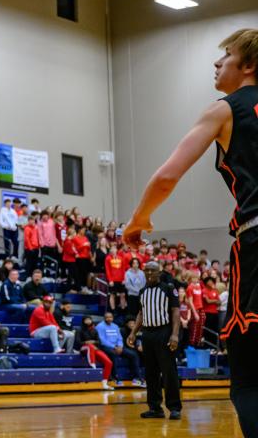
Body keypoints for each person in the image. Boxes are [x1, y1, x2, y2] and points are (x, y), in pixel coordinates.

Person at [122, 29, 257, 435]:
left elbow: (166, 176)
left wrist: (138, 219)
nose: (217, 64)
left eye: (226, 56)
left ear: (248, 65)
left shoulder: (226, 109)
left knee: (250, 377)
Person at [128, 261, 182, 420]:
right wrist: (133, 333)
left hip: (164, 332)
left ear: (159, 273)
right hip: (147, 334)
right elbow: (141, 314)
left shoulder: (169, 289)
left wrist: (175, 334)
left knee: (168, 371)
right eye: (147, 271)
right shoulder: (143, 291)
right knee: (150, 373)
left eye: (153, 271)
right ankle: (155, 408)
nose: (149, 274)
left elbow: (175, 312)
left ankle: (174, 408)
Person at [96, 310, 143, 386]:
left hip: (118, 347)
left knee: (133, 354)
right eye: (107, 317)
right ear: (104, 318)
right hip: (106, 347)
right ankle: (115, 378)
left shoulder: (115, 326)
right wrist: (114, 347)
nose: (109, 319)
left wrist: (120, 346)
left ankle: (137, 378)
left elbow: (119, 338)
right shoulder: (100, 326)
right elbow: (102, 340)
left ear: (113, 318)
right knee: (112, 353)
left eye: (110, 317)